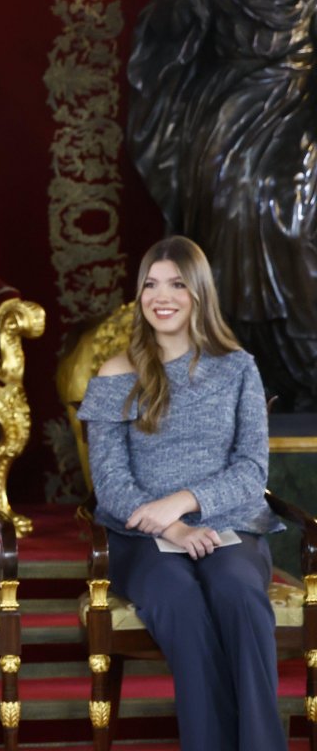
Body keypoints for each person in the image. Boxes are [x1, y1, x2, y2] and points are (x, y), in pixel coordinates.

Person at [78, 235, 286, 751]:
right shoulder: (115, 373)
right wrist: (170, 525)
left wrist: (186, 502)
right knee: (182, 605)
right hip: (142, 536)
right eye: (151, 284)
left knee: (237, 594)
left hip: (230, 525)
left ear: (198, 293)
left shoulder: (238, 367)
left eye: (175, 283)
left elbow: (251, 468)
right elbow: (109, 481)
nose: (161, 296)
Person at [127, 0, 317, 411]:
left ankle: (304, 362)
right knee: (229, 208)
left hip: (298, 112)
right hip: (227, 117)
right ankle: (243, 363)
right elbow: (169, 42)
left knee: (292, 217)